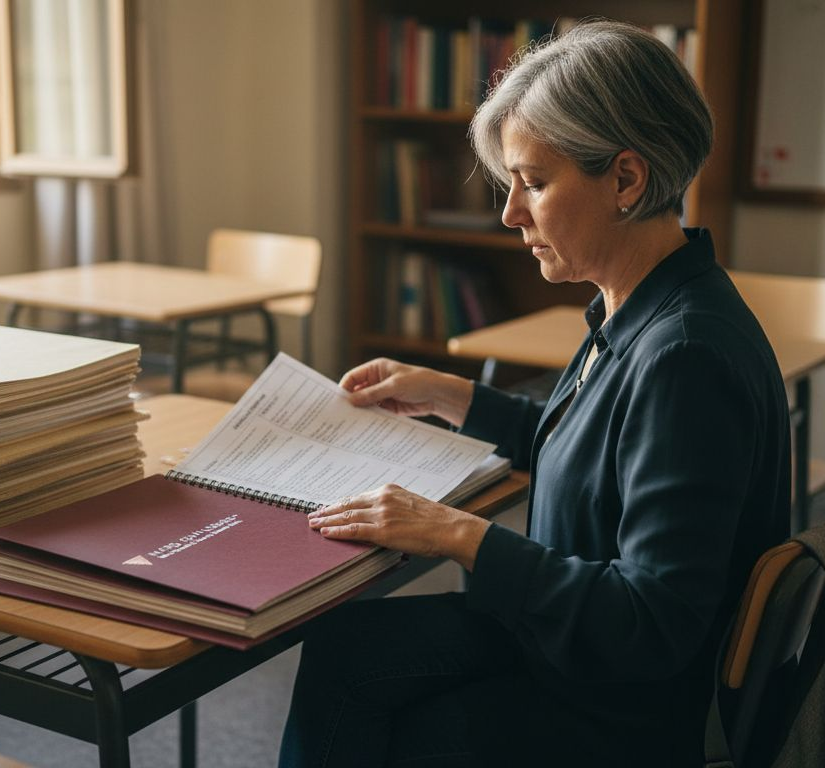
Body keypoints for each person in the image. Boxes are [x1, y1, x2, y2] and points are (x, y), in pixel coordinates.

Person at [278, 20, 791, 767]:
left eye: (535, 183)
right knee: (342, 644)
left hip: (615, 707)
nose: (512, 213)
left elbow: (654, 622)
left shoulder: (686, 356)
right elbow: (596, 451)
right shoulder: (643, 301)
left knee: (384, 717)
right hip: (568, 641)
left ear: (625, 179)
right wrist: (452, 395)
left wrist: (458, 533)